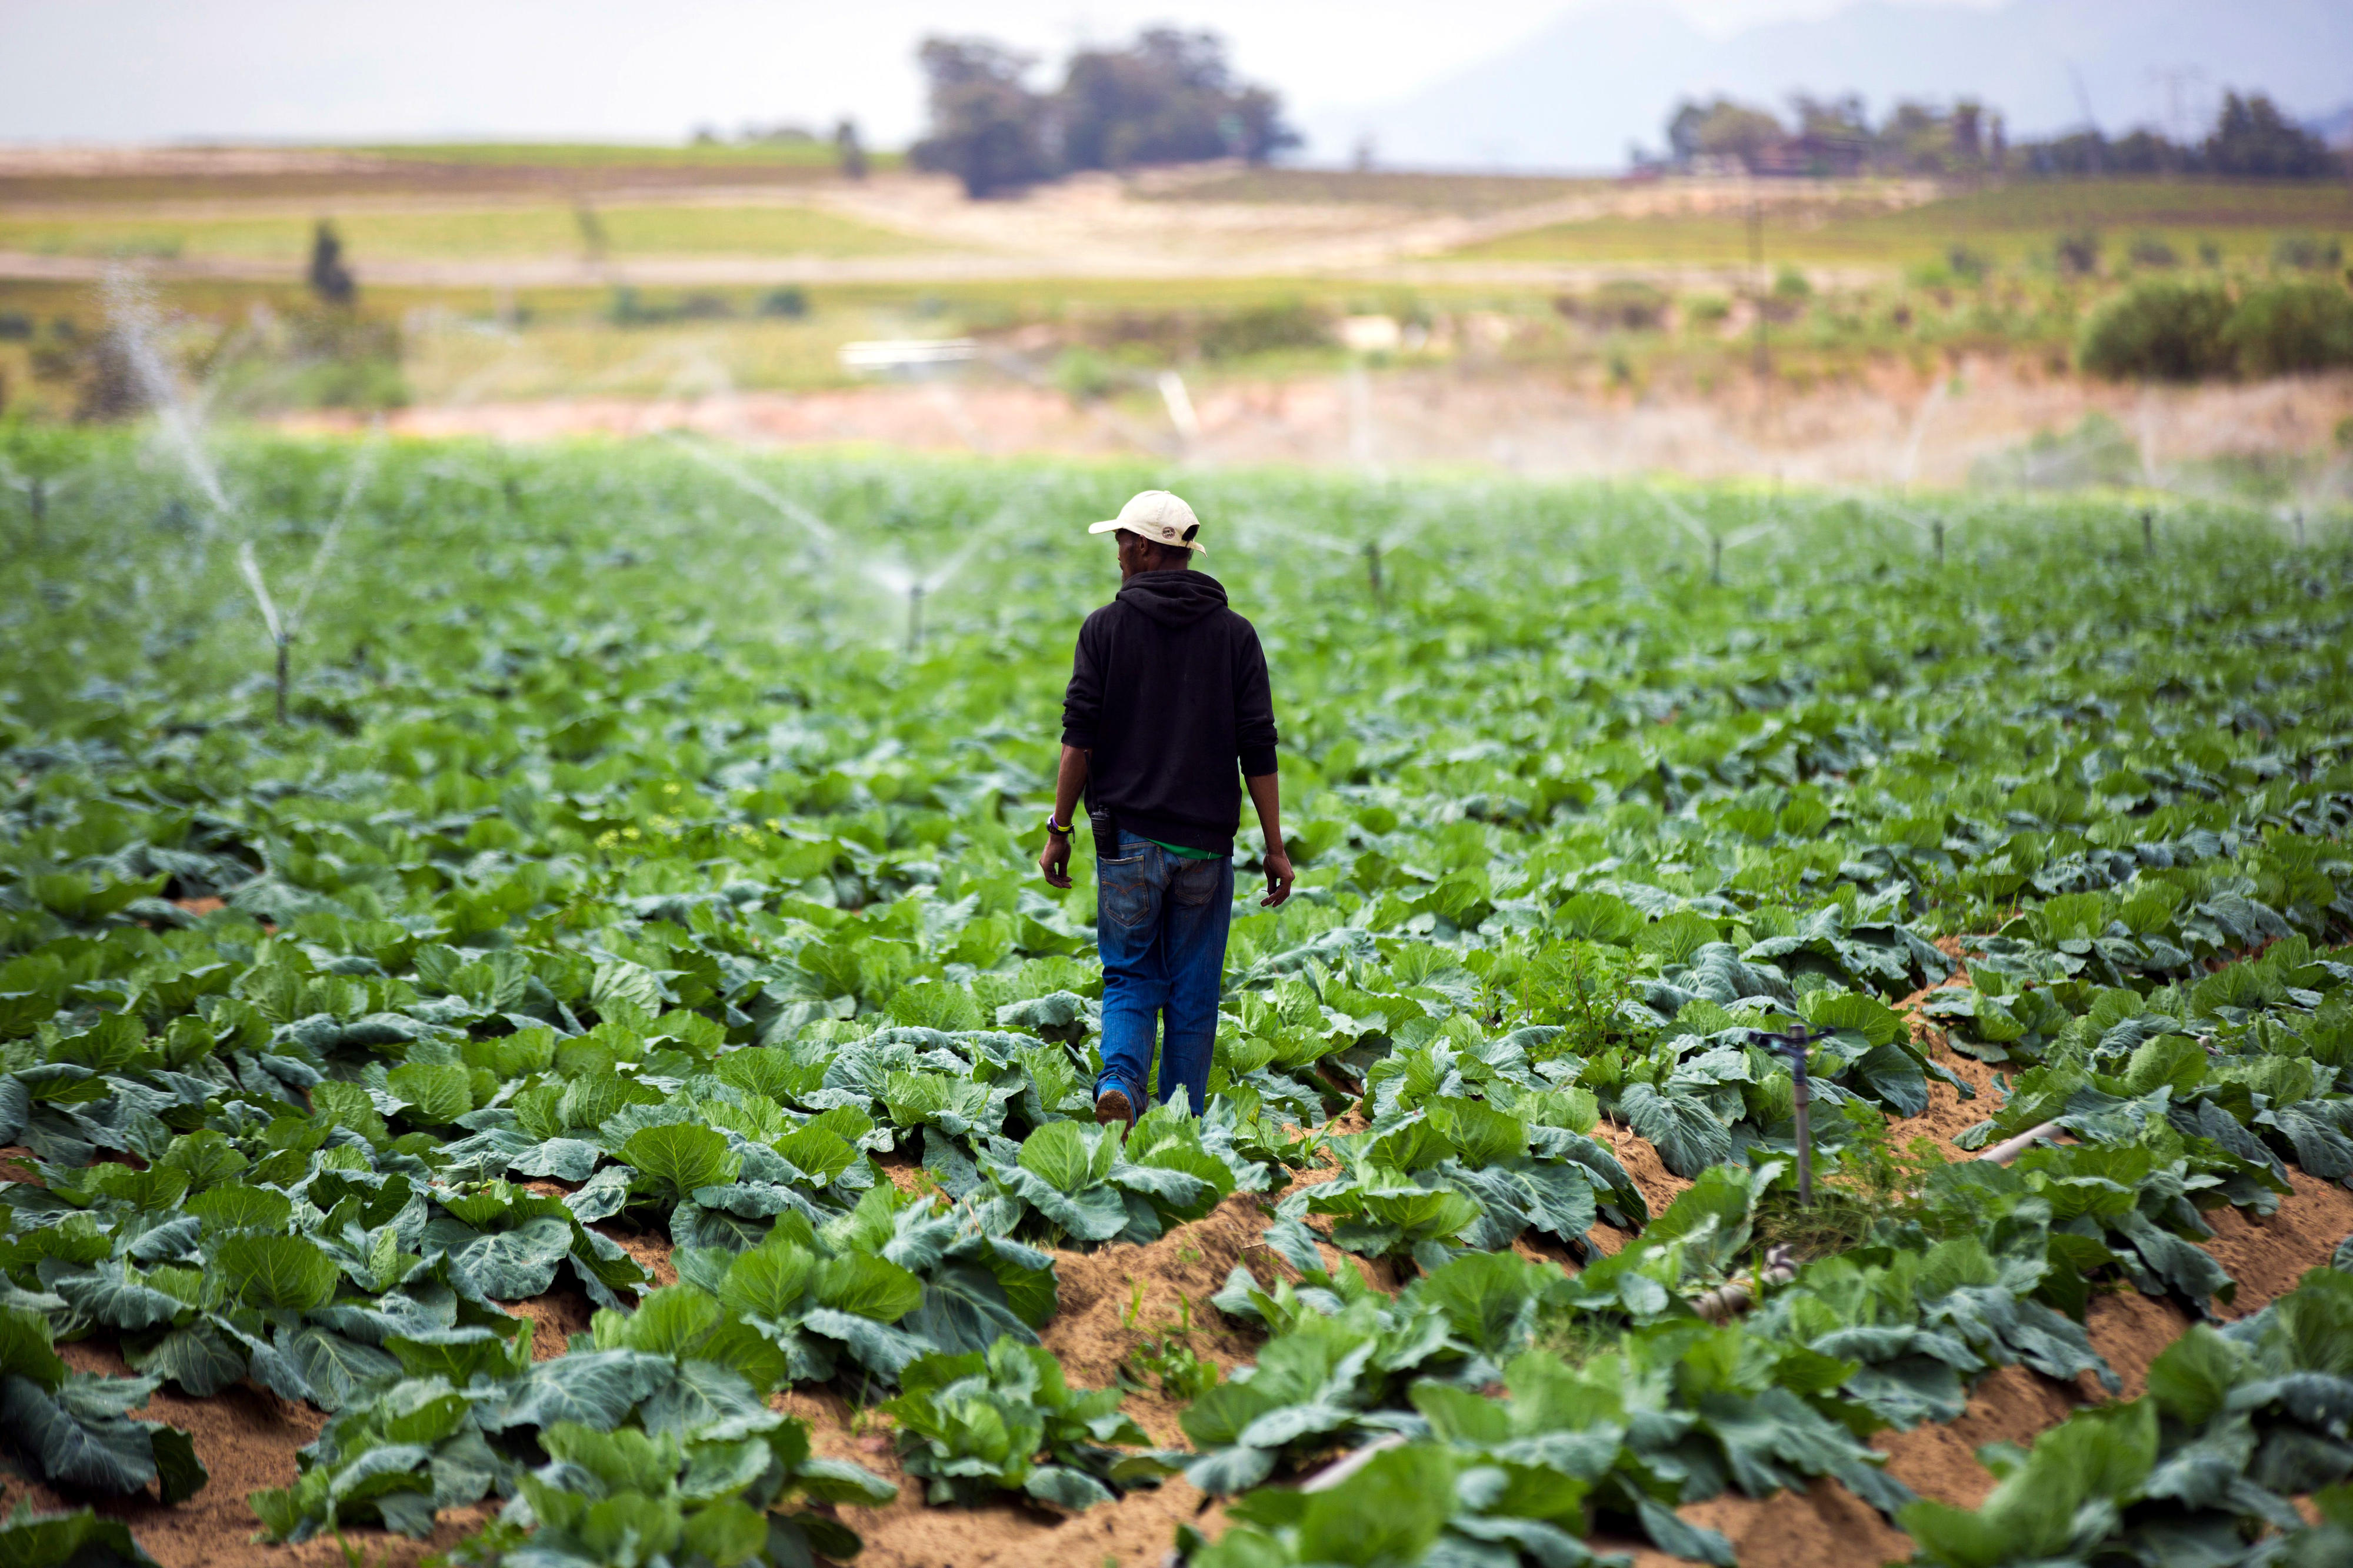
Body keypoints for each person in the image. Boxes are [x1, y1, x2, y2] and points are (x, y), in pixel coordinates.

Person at [1039, 489, 1294, 1129]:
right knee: (1193, 990)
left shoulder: (1104, 627)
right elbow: (1256, 745)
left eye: (1123, 543)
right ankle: (1180, 1121)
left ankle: (1121, 1080)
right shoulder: (1236, 635)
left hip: (1126, 839)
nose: (1118, 555)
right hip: (1205, 847)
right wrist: (1275, 844)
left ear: (1148, 549)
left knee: (1128, 974)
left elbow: (1079, 738)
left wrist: (1060, 828)